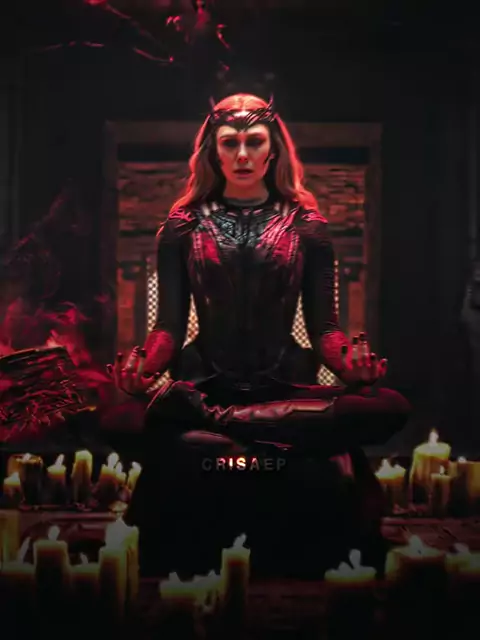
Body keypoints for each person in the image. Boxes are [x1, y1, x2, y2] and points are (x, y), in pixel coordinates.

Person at [110, 94, 411, 578]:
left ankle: (221, 422)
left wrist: (349, 365)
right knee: (115, 420)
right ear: (213, 152)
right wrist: (143, 366)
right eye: (230, 143)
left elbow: (325, 329)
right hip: (207, 382)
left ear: (273, 150)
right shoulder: (182, 226)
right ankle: (241, 422)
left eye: (254, 142)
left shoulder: (307, 226)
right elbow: (168, 327)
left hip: (279, 386)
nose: (243, 154)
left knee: (388, 406)